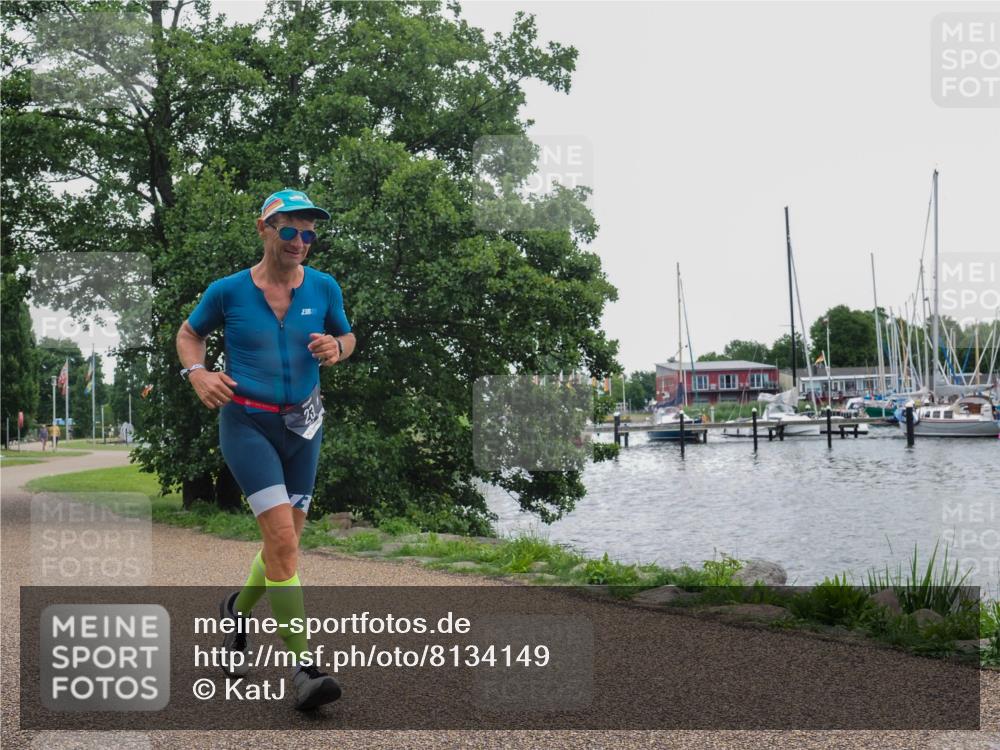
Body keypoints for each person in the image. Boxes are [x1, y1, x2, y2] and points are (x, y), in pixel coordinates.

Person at [176, 188, 355, 711]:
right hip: (247, 424)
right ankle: (304, 670)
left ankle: (236, 609)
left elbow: (347, 338)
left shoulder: (324, 288)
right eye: (290, 230)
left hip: (305, 428)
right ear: (264, 229)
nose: (301, 241)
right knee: (281, 541)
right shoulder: (228, 291)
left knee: (285, 548)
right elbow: (189, 335)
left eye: (310, 232)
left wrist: (335, 348)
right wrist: (198, 373)